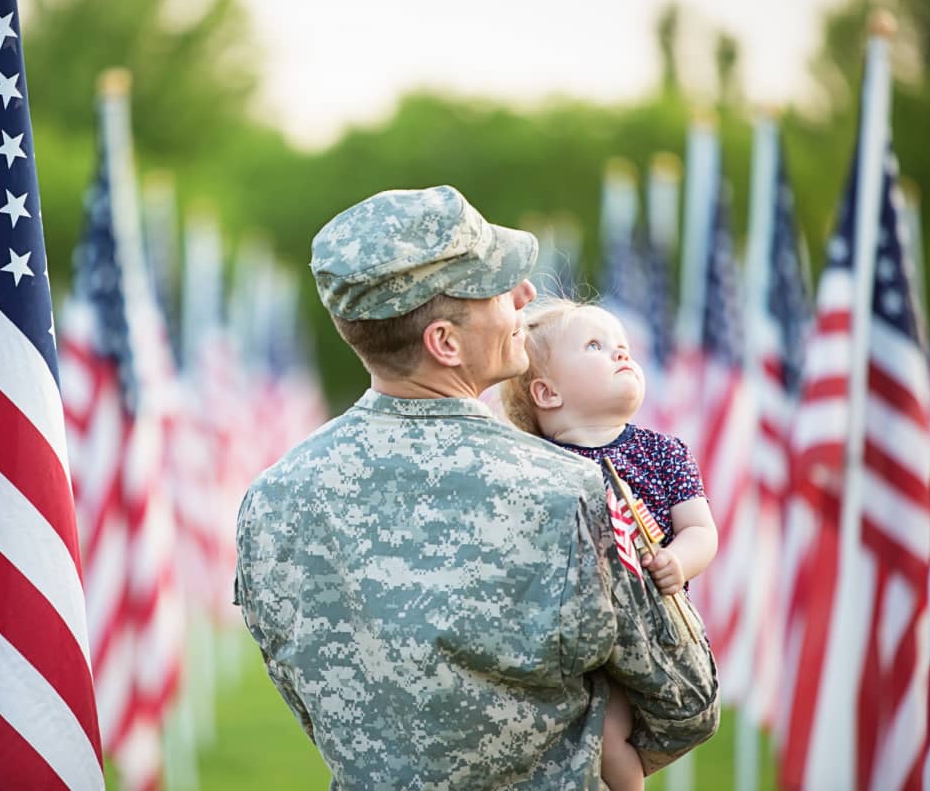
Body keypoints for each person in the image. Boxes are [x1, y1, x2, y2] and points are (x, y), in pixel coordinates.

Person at [233, 185, 719, 789]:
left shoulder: (273, 500)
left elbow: (309, 692)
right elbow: (687, 698)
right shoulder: (574, 489)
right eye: (497, 288)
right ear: (445, 342)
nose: (526, 295)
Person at [500, 298, 719, 791]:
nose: (621, 352)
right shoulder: (538, 466)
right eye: (596, 346)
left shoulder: (662, 451)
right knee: (588, 730)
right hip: (569, 634)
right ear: (547, 393)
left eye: (622, 345)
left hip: (646, 628)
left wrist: (678, 561)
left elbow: (701, 531)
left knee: (610, 730)